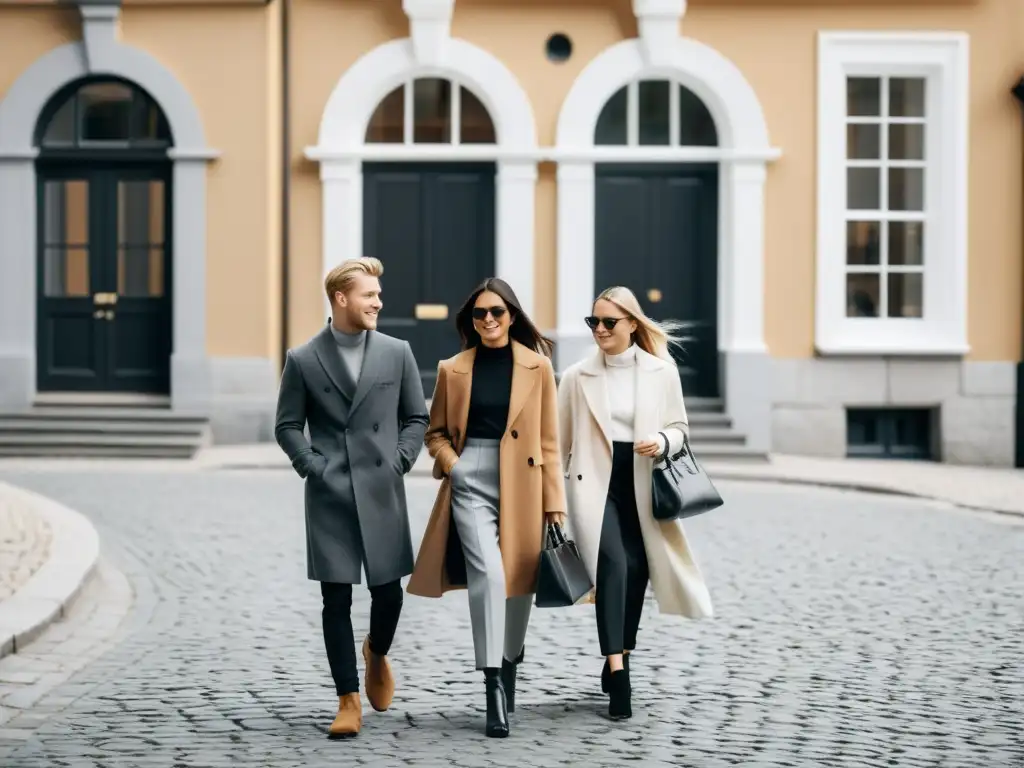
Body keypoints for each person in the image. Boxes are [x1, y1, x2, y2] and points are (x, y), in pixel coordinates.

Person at [274, 257, 429, 739]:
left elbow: (416, 418)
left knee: (388, 592)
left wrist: (400, 459)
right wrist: (312, 466)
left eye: (378, 295)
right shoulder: (303, 358)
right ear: (341, 299)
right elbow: (286, 425)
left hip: (382, 488)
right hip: (330, 493)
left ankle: (376, 652)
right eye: (369, 295)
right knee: (335, 597)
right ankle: (347, 700)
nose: (378, 302)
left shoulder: (396, 351)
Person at [406, 278, 566, 738]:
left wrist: (554, 502)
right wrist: (454, 467)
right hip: (471, 475)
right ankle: (493, 684)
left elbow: (550, 442)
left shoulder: (538, 368)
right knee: (490, 576)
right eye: (479, 314)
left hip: (526, 479)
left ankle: (510, 660)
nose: (489, 320)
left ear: (512, 316)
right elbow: (435, 433)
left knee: (519, 583)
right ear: (470, 321)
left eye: (497, 312)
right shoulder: (452, 369)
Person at [557, 286, 713, 721]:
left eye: (609, 322)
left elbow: (680, 426)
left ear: (632, 324)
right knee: (613, 566)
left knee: (639, 570)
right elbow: (559, 443)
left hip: (642, 481)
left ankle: (623, 647)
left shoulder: (661, 372)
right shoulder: (575, 377)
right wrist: (554, 498)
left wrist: (663, 441)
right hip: (594, 485)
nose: (600, 330)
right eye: (594, 323)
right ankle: (618, 671)